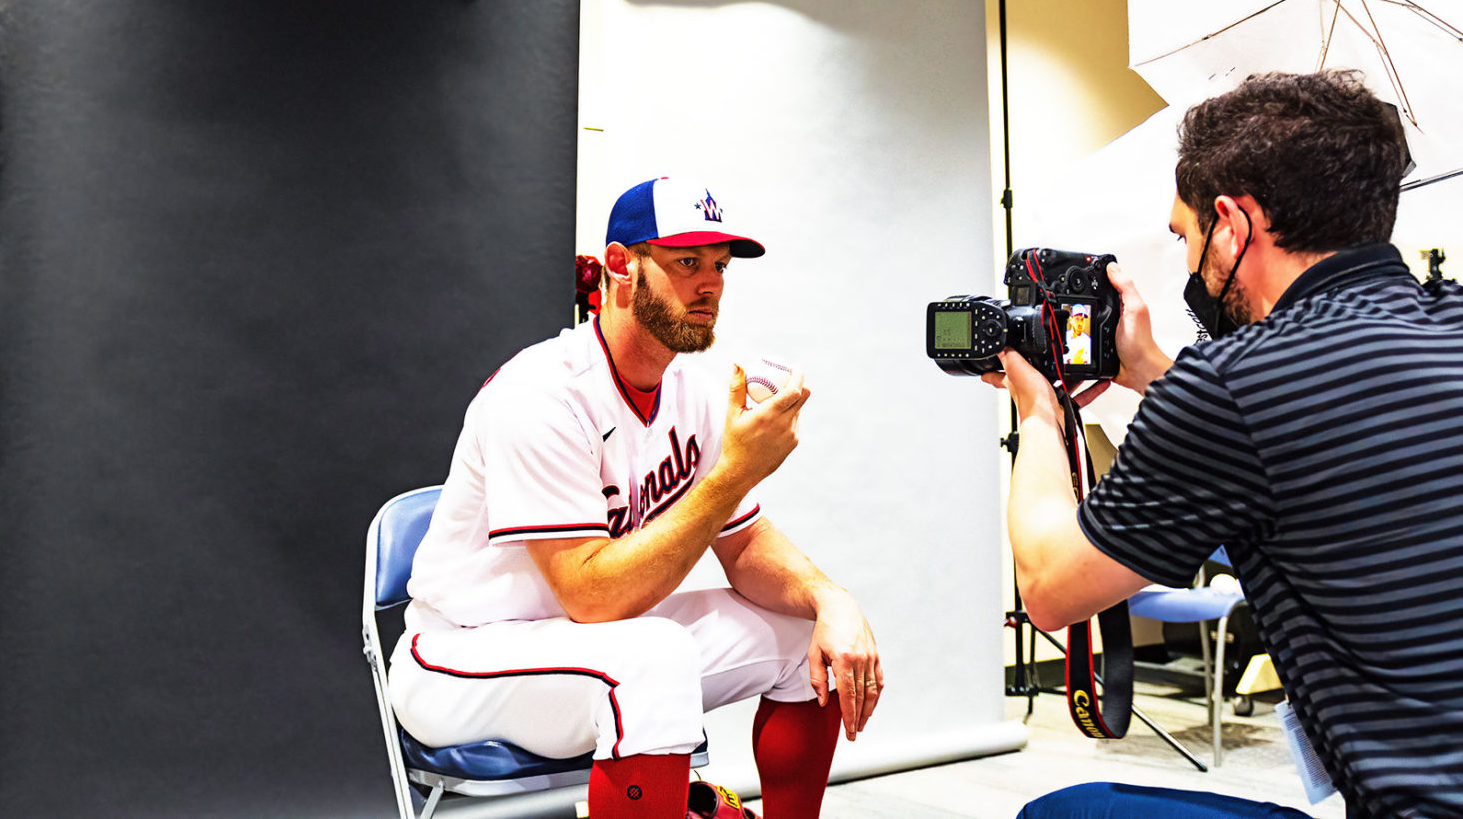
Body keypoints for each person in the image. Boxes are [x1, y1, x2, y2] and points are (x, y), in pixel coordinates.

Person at [983, 71, 1463, 819]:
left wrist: (1038, 407)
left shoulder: (1233, 381)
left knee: (1068, 813)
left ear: (1233, 226)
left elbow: (1049, 585)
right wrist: (1146, 370)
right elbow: (1306, 439)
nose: (1186, 263)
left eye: (1186, 235)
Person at [388, 177, 883, 819]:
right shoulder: (542, 394)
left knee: (802, 636)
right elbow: (592, 597)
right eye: (686, 262)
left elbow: (746, 543)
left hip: (585, 643)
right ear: (622, 265)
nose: (710, 285)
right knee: (652, 656)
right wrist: (732, 474)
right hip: (462, 655)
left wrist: (830, 599)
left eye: (719, 266)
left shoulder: (693, 394)